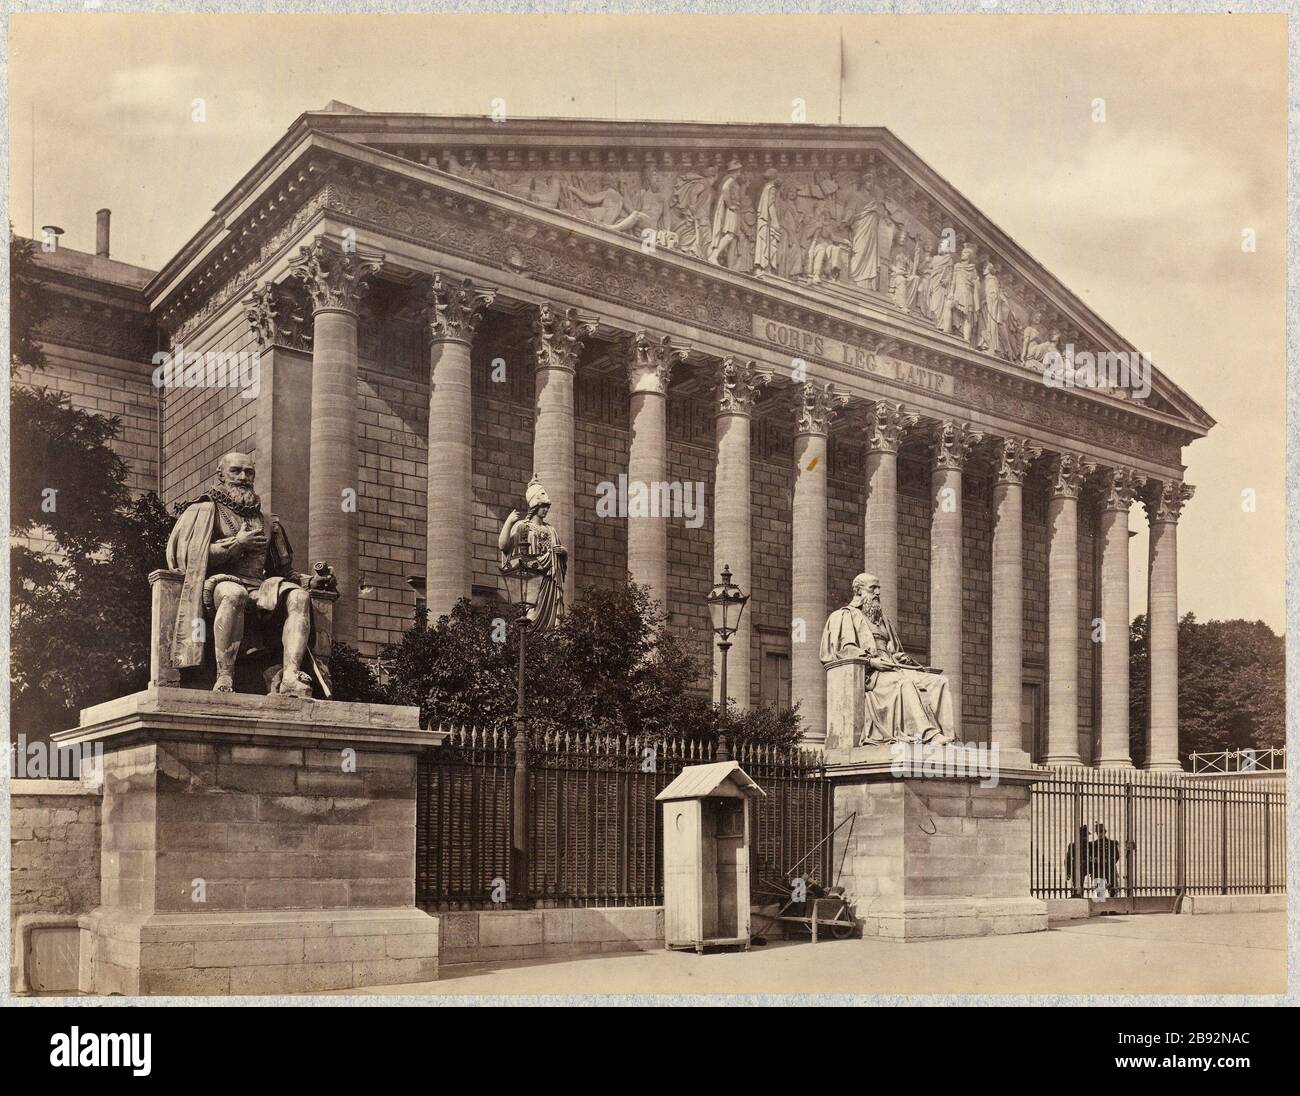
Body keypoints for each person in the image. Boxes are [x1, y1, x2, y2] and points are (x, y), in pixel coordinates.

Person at [166, 451, 336, 695]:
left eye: (249, 472)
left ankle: (290, 675)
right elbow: (190, 558)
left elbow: (284, 572)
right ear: (221, 475)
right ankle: (224, 676)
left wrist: (313, 581)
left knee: (299, 597)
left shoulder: (268, 522)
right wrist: (237, 544)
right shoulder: (204, 510)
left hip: (259, 586)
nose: (243, 477)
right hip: (218, 582)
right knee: (234, 593)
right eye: (236, 471)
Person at [819, 572, 954, 744]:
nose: (878, 592)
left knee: (939, 681)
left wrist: (900, 657)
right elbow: (843, 650)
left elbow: (892, 650)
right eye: (873, 588)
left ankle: (949, 738)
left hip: (894, 667)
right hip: (870, 674)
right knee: (904, 684)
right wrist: (871, 661)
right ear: (859, 591)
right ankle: (928, 735)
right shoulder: (844, 616)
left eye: (879, 588)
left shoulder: (883, 621)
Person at [497, 475, 568, 631]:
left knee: (552, 621)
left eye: (548, 506)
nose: (546, 509)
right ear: (535, 505)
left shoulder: (551, 530)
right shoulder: (522, 526)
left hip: (550, 579)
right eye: (543, 506)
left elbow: (560, 557)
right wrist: (509, 522)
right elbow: (503, 546)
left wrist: (563, 553)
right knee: (531, 614)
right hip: (531, 579)